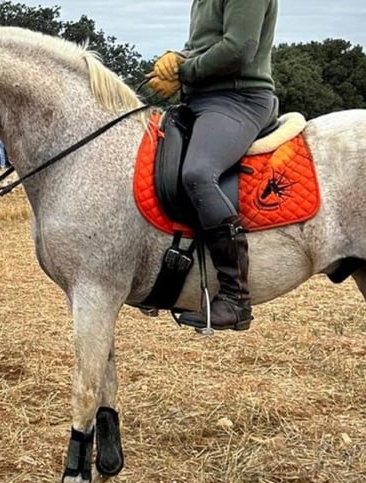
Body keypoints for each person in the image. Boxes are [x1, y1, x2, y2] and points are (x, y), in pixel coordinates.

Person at [147, 0, 279, 331]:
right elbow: (202, 46)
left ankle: (235, 299)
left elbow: (239, 49)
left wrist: (183, 71)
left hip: (239, 99)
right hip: (201, 100)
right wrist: (176, 57)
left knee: (198, 173)